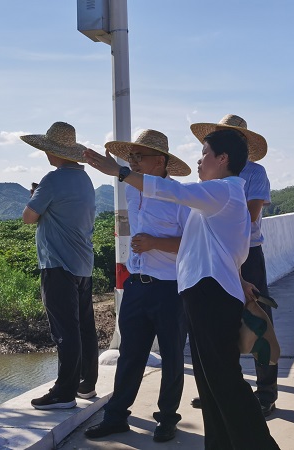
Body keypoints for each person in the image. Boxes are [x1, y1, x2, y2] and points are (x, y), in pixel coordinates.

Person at [84, 129, 280, 449]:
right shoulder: (220, 198)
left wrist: (120, 171)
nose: (199, 161)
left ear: (222, 159)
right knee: (211, 383)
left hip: (212, 296)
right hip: (205, 293)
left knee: (225, 382)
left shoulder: (223, 190)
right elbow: (223, 247)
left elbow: (172, 191)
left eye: (204, 154)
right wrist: (240, 279)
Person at [83, 130, 191, 443]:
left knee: (172, 357)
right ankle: (116, 417)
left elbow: (193, 244)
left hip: (170, 289)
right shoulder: (132, 191)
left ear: (161, 161)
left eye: (139, 156)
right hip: (137, 286)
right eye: (131, 157)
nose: (133, 162)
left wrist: (156, 243)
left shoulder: (180, 197)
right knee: (130, 355)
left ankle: (167, 419)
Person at [189, 114, 277, 416]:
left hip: (247, 253)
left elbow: (250, 214)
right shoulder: (211, 176)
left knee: (257, 319)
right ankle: (221, 388)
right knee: (220, 324)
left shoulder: (255, 173)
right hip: (216, 256)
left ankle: (266, 392)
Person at [20, 121, 99, 409]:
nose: (45, 154)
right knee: (84, 327)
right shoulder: (85, 180)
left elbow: (28, 217)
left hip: (57, 264)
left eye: (47, 149)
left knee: (65, 331)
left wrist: (35, 197)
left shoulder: (52, 180)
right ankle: (86, 384)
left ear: (55, 152)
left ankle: (63, 392)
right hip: (83, 264)